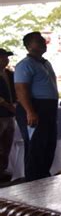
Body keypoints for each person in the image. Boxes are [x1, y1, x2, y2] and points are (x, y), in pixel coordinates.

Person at [14, 32, 58, 181]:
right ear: (28, 46)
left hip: (48, 108)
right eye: (37, 41)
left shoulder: (46, 63)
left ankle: (44, 177)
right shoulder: (25, 64)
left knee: (48, 144)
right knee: (35, 146)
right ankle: (32, 181)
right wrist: (30, 112)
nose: (42, 43)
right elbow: (21, 89)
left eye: (42, 41)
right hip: (34, 107)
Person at [0, 48, 16, 182]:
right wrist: (6, 104)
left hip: (10, 114)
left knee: (7, 143)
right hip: (2, 112)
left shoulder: (9, 74)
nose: (6, 60)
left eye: (6, 57)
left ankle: (3, 170)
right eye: (3, 57)